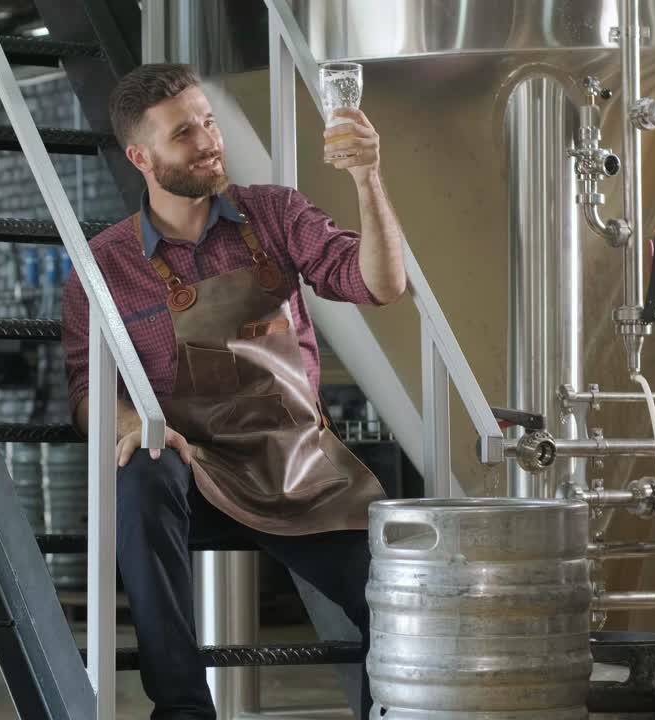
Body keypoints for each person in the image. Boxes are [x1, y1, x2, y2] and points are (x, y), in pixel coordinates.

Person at [60, 63, 408, 719]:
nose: (209, 140)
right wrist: (132, 424)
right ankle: (185, 707)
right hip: (192, 471)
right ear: (141, 156)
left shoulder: (274, 213)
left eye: (209, 121)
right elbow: (86, 388)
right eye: (184, 132)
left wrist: (367, 178)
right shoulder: (103, 266)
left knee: (396, 603)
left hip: (296, 465)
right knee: (142, 468)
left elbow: (380, 285)